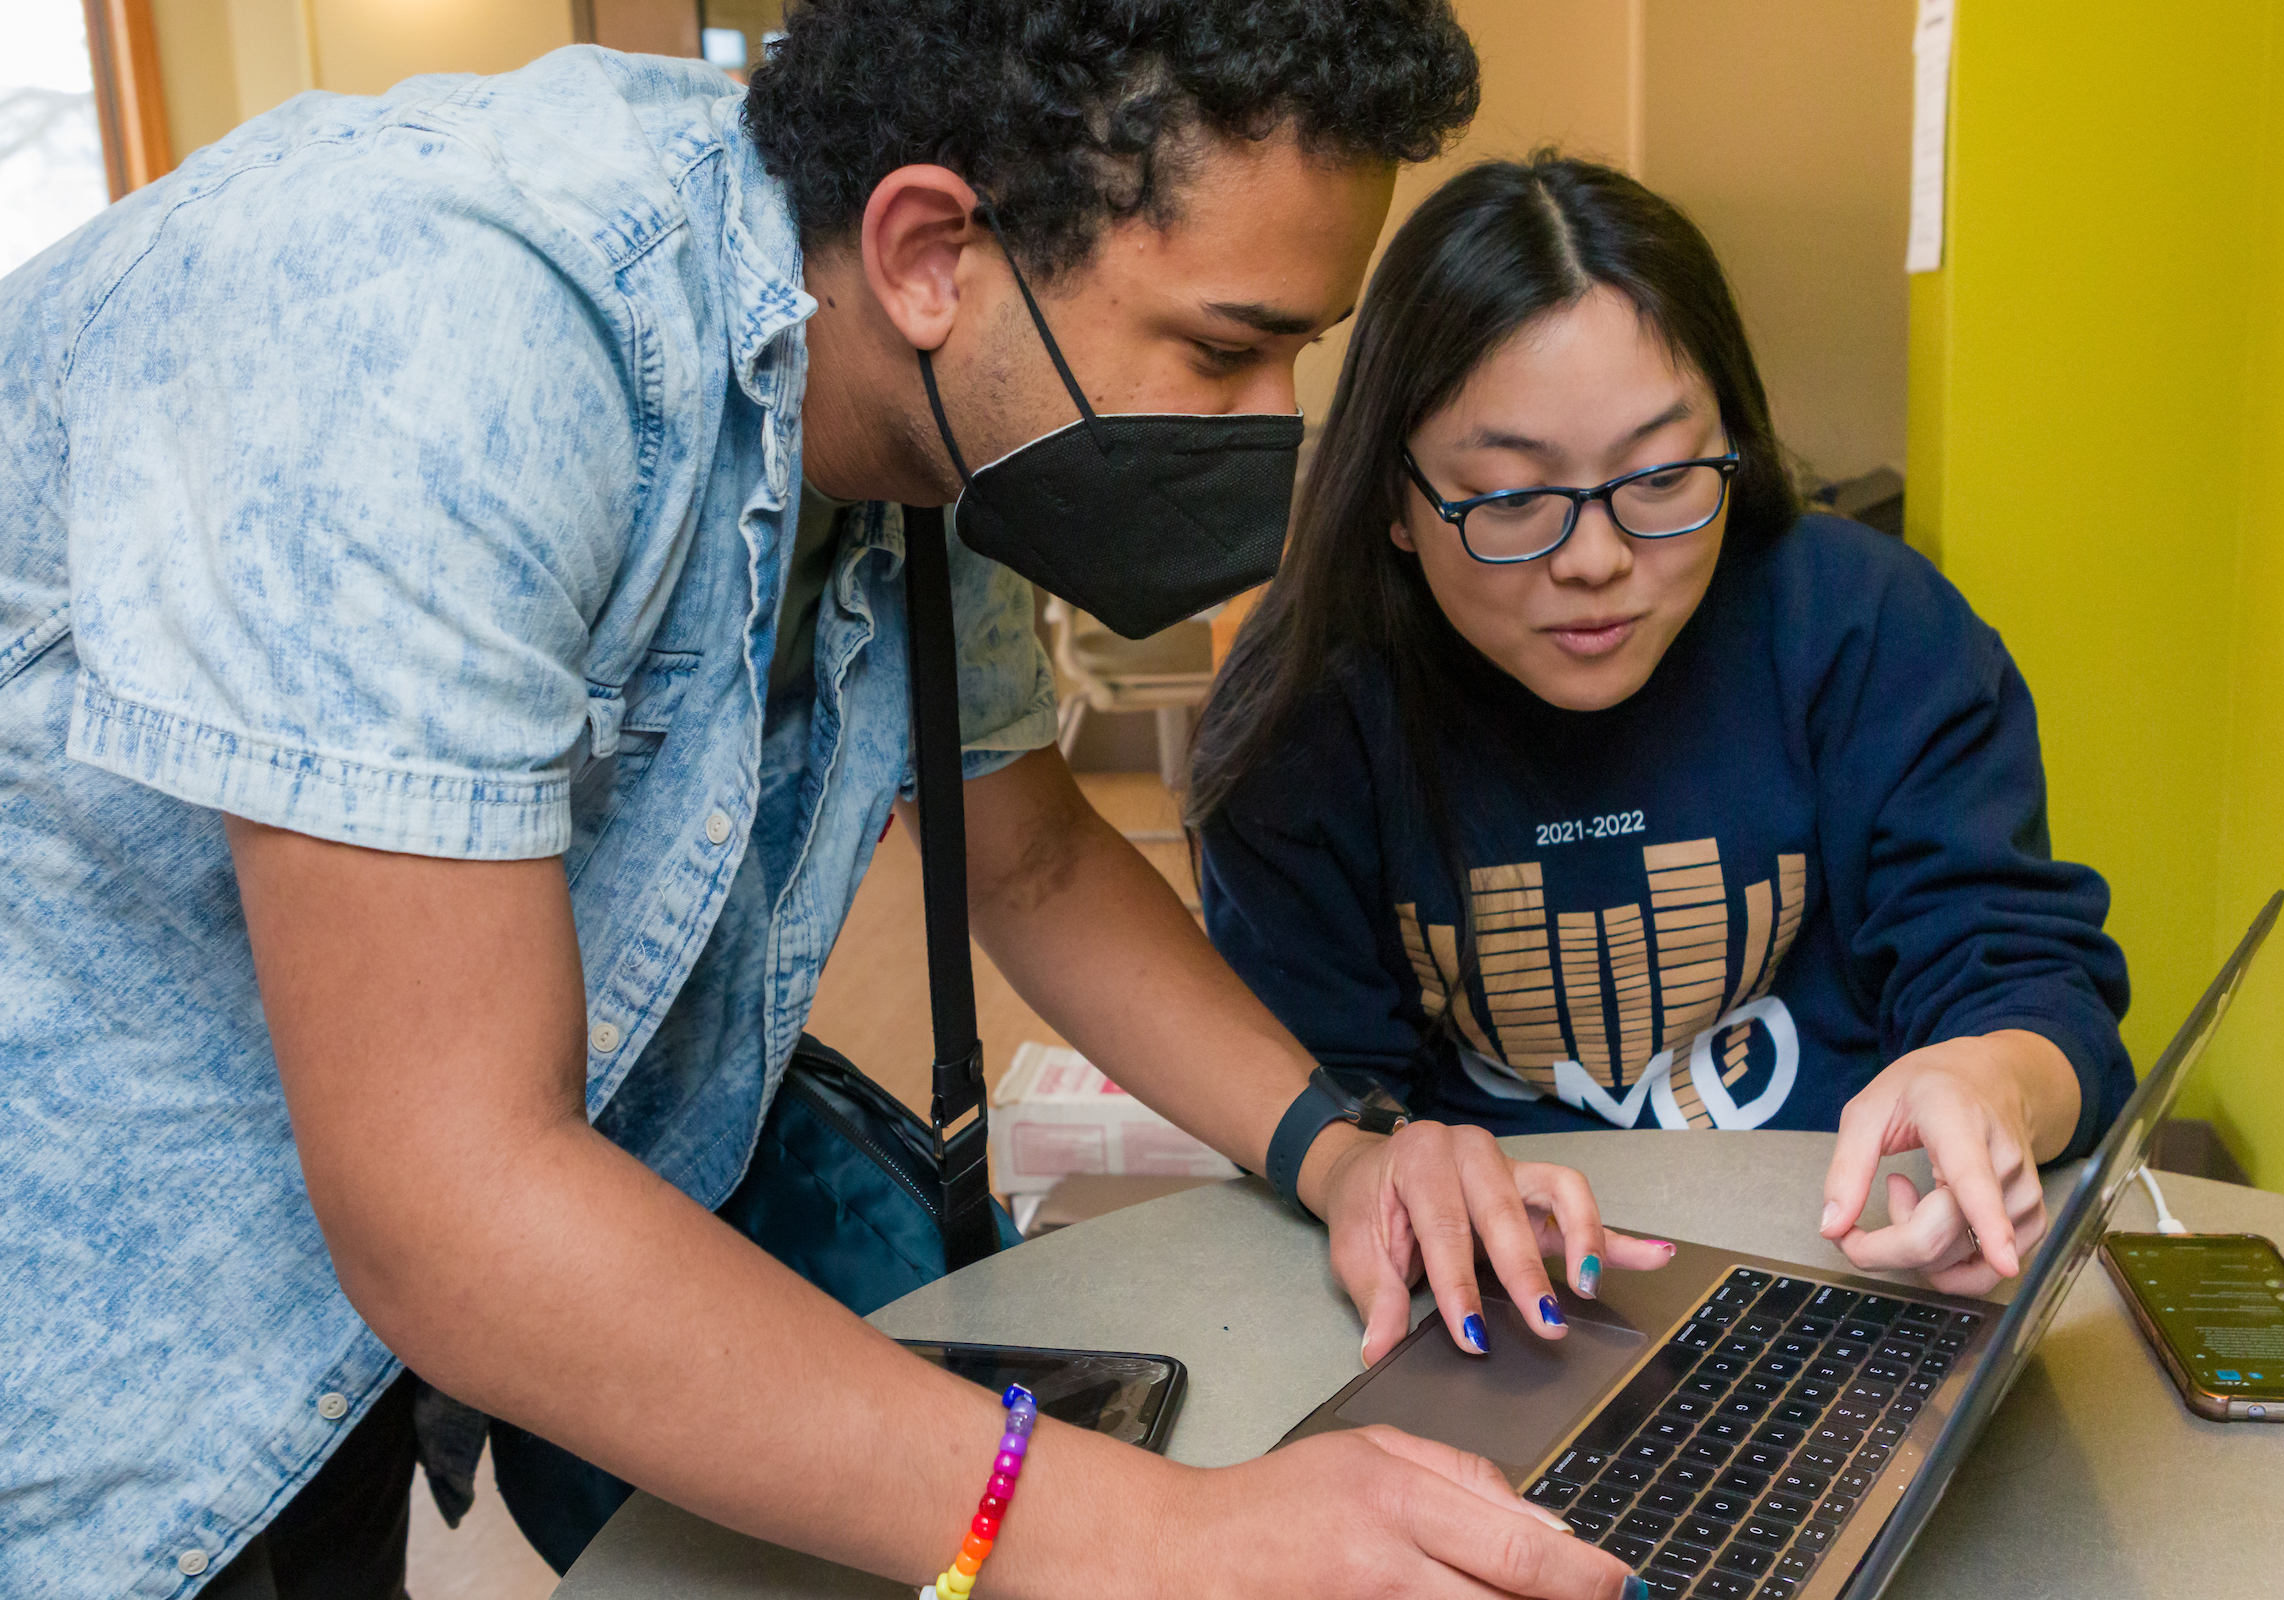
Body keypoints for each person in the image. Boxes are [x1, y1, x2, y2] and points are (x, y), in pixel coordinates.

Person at [1, 15, 1661, 1600]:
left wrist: (1342, 1153)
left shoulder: (913, 402)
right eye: (1227, 349)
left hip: (331, 1325)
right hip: (90, 1349)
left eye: (1296, 352)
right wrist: (1163, 1539)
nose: (1268, 425)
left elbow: (1030, 859)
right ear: (932, 252)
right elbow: (452, 1206)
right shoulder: (439, 323)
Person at [1192, 154, 2138, 1311]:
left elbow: (2029, 985)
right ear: (1393, 499)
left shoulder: (1870, 630)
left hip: (1849, 1273)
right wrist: (1374, 1162)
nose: (1596, 559)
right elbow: (1310, 1109)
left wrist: (1991, 1083)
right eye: (1509, 499)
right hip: (1494, 1305)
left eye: (1661, 476)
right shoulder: (1305, 719)